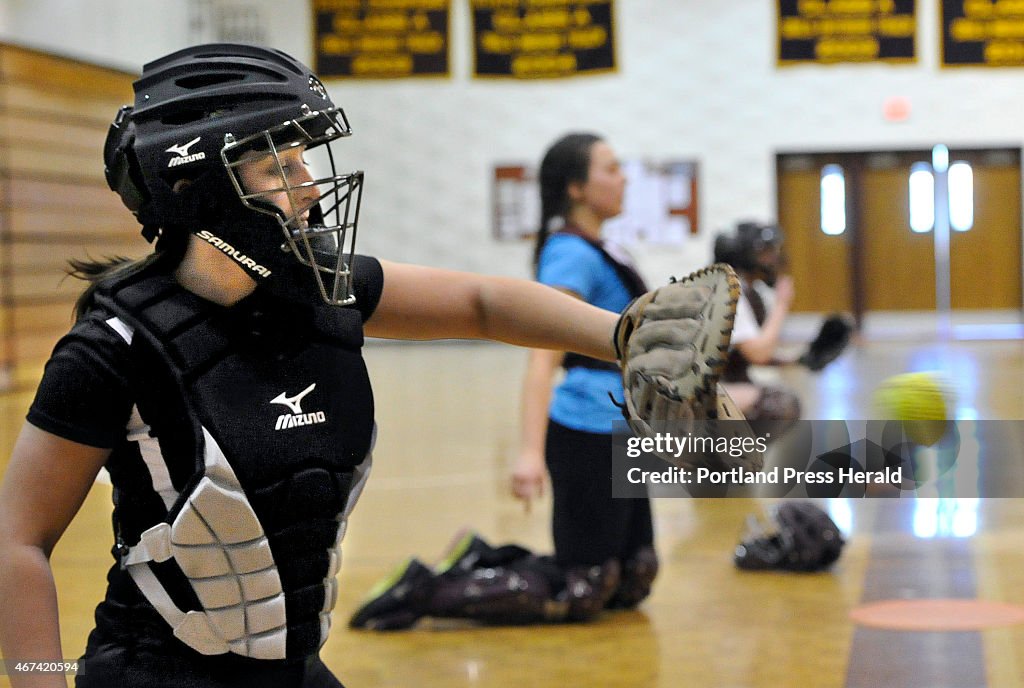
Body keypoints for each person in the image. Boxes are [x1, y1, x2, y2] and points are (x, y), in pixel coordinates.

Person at [0, 45, 732, 687]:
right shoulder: (112, 349)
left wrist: (630, 338)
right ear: (199, 188)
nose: (312, 187)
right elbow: (18, 542)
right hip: (150, 675)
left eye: (304, 161)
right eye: (278, 167)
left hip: (295, 670)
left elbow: (483, 303)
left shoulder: (329, 289)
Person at [347, 133, 659, 631]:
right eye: (611, 168)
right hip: (587, 428)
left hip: (622, 427)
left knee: (632, 577)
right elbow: (543, 357)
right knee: (585, 585)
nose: (623, 178)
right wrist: (530, 452)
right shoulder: (570, 254)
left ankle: (480, 556)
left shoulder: (602, 248)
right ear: (577, 188)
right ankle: (426, 587)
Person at [713, 221, 801, 429]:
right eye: (767, 253)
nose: (774, 260)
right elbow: (758, 353)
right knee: (778, 405)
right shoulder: (729, 292)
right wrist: (781, 304)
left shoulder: (746, 291)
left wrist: (802, 359)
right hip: (693, 394)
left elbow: (747, 352)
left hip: (718, 383)